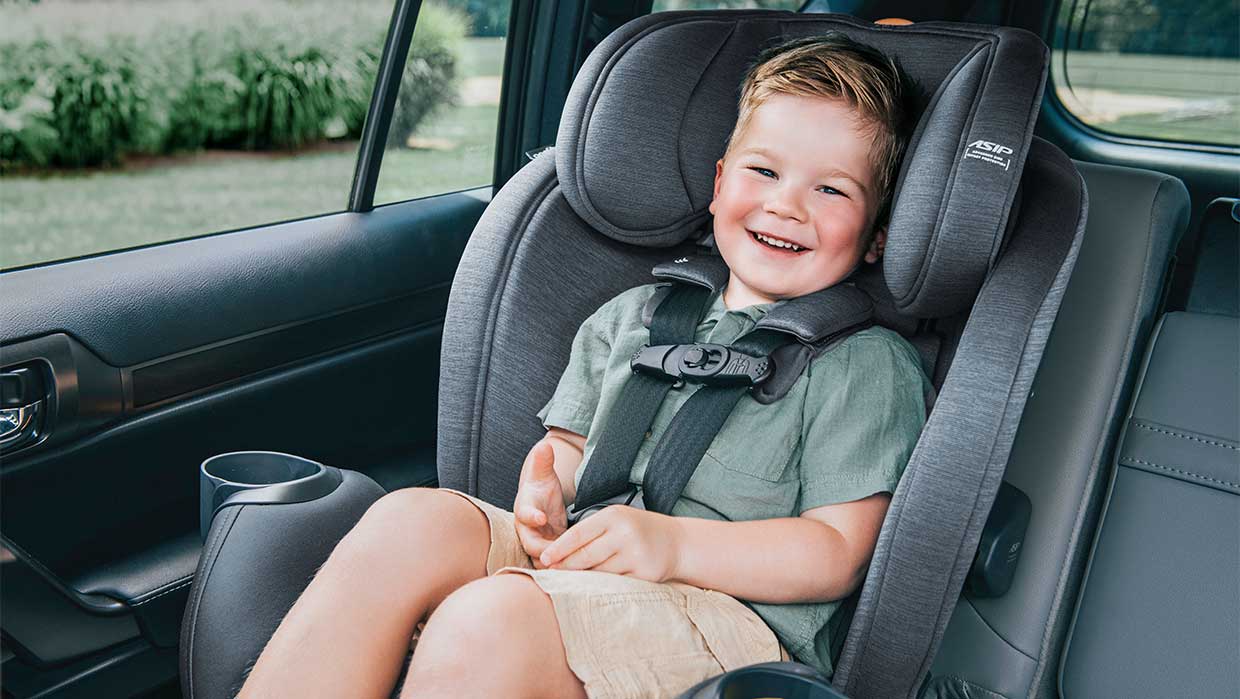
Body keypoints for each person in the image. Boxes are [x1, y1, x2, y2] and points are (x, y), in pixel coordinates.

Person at [237, 32, 929, 699]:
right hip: (593, 568)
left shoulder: (864, 364)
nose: (786, 204)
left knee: (492, 617)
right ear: (720, 183)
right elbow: (567, 451)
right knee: (411, 520)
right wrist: (547, 492)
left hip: (733, 625)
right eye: (765, 171)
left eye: (831, 191)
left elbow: (838, 550)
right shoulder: (630, 318)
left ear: (878, 235)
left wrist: (673, 546)